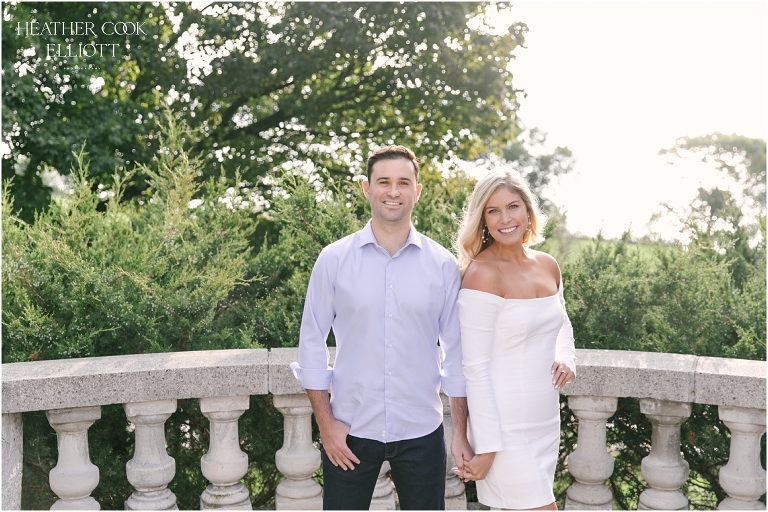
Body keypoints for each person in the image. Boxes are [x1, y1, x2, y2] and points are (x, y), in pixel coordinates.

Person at [290, 145, 473, 510]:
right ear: (366, 188)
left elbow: (457, 356)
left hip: (421, 432)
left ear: (417, 191)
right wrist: (326, 426)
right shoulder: (334, 260)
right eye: (384, 182)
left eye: (403, 182)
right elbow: (311, 343)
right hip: (350, 431)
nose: (393, 191)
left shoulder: (442, 266)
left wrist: (462, 434)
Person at [451, 170, 576, 510]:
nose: (505, 219)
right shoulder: (482, 275)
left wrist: (567, 358)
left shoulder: (548, 266)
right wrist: (488, 447)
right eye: (493, 211)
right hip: (504, 431)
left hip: (546, 420)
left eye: (513, 207)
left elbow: (560, 321)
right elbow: (473, 368)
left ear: (528, 211)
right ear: (483, 220)